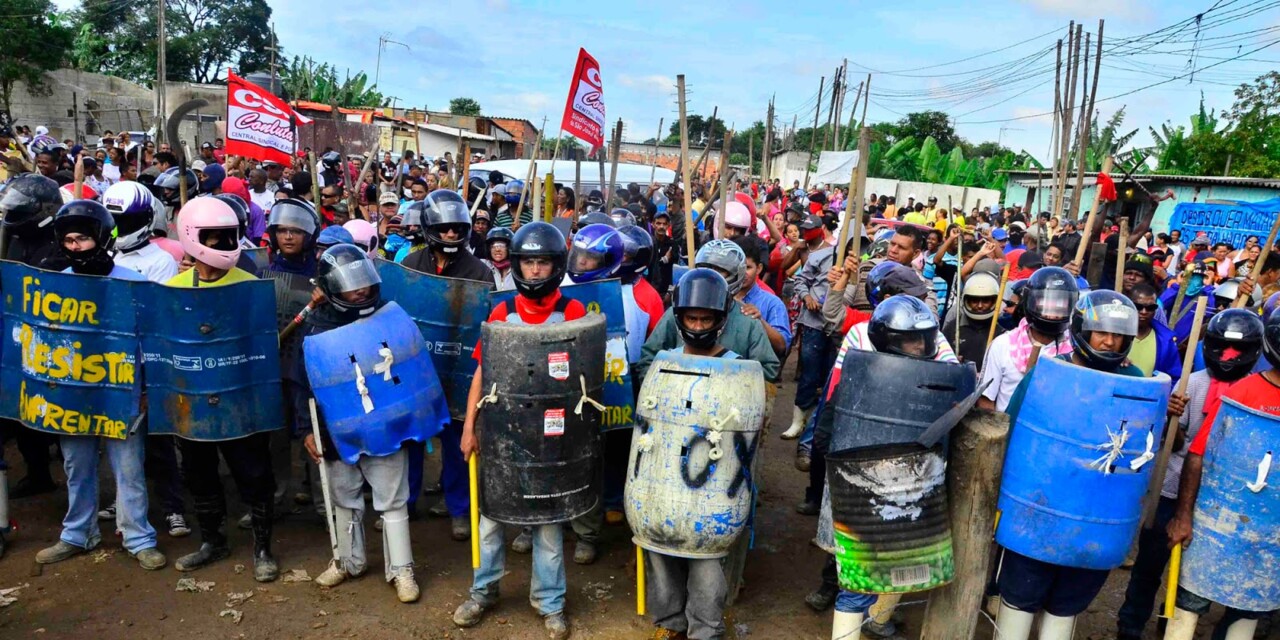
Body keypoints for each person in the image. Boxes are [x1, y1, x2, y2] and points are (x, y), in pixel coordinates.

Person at [995, 290, 1181, 640]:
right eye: (1102, 333)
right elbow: (1010, 429)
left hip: (1097, 520)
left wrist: (1165, 412)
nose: (1111, 342)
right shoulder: (1049, 372)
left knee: (1067, 605)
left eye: (1119, 335)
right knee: (1020, 598)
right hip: (1038, 509)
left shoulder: (1139, 382)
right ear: (1082, 329)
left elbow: (1146, 448)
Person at [454, 222, 582, 640]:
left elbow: (585, 384)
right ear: (517, 266)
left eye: (543, 262)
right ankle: (483, 591)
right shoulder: (501, 312)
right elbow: (480, 371)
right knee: (491, 519)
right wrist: (469, 426)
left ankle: (550, 603)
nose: (535, 271)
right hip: (502, 431)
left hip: (552, 436)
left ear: (556, 266)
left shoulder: (574, 314)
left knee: (548, 521)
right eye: (527, 263)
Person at [29, 200, 167, 571]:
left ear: (103, 238)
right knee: (76, 465)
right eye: (69, 240)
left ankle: (138, 536)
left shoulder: (134, 283)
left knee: (129, 467)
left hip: (122, 392)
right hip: (72, 394)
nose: (75, 247)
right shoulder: (56, 286)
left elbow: (150, 343)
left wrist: (145, 390)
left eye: (83, 239)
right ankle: (78, 533)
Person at [299, 244, 440, 603]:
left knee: (392, 498)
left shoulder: (390, 319)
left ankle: (402, 569)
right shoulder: (315, 328)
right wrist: (305, 428)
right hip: (335, 429)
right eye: (349, 284)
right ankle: (348, 560)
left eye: (362, 280)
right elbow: (301, 384)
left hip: (384, 425)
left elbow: (412, 368)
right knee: (343, 496)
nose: (359, 289)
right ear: (330, 288)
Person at [1115, 309, 1260, 640]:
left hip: (1216, 496)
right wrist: (1171, 418)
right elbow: (1175, 444)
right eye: (1221, 348)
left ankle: (1173, 625)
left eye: (1236, 351)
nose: (1228, 358)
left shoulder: (1251, 392)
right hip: (1171, 488)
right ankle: (1130, 624)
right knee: (1150, 564)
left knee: (1194, 568)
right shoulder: (1189, 384)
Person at [165, 197, 279, 582]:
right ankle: (212, 541)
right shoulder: (173, 289)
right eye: (213, 239)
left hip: (241, 398)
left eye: (228, 238)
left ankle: (263, 547)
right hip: (194, 400)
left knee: (254, 472)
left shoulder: (252, 287)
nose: (223, 247)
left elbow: (264, 346)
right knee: (198, 473)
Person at [642, 267, 752, 640]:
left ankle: (705, 629)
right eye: (692, 317)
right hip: (663, 479)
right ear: (680, 317)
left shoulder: (736, 367)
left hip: (712, 485)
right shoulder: (665, 362)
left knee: (706, 560)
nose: (699, 325)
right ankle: (670, 623)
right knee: (660, 551)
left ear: (720, 320)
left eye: (707, 318)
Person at [402, 189, 491, 539]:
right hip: (416, 368)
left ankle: (459, 508)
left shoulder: (480, 272)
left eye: (457, 228)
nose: (451, 234)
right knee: (409, 439)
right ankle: (404, 503)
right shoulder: (409, 266)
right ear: (428, 227)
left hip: (458, 370)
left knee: (457, 440)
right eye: (444, 228)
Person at [0, 174, 65, 502]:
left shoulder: (61, 241)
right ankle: (38, 473)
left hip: (55, 342)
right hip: (15, 339)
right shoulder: (11, 235)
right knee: (19, 413)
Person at [979, 267, 1079, 412]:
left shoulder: (1076, 351)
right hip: (1008, 429)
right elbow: (986, 400)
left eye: (1059, 305)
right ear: (1030, 301)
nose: (1051, 314)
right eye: (1045, 304)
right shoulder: (1003, 345)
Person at [782, 215, 838, 443]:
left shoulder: (835, 254)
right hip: (813, 323)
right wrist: (806, 298)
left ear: (822, 229)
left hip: (835, 325)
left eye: (811, 229)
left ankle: (816, 426)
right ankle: (798, 421)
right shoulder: (810, 253)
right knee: (809, 374)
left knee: (829, 376)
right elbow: (798, 279)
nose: (807, 233)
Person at [103, 182, 179, 282]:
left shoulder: (161, 262)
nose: (119, 227)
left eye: (126, 221)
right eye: (113, 220)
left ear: (148, 218)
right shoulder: (103, 254)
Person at [943, 271, 1004, 368]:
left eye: (985, 301)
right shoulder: (952, 329)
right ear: (966, 300)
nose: (980, 306)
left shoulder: (1001, 332)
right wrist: (951, 361)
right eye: (974, 300)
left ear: (993, 302)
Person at [1128, 283, 1182, 379]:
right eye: (1138, 306)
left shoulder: (1166, 341)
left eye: (1150, 308)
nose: (1144, 312)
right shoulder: (1114, 335)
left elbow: (1173, 378)